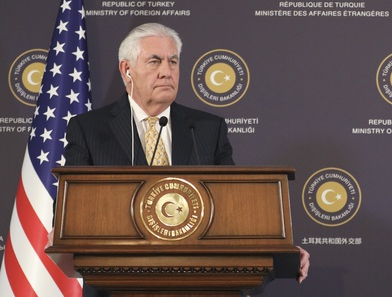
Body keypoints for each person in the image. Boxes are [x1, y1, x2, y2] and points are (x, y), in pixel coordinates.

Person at [64, 22, 310, 284]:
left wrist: (279, 248)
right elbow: (70, 210)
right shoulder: (89, 129)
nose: (166, 72)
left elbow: (234, 208)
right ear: (127, 70)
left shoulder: (207, 129)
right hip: (115, 282)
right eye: (155, 62)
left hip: (200, 282)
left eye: (173, 62)